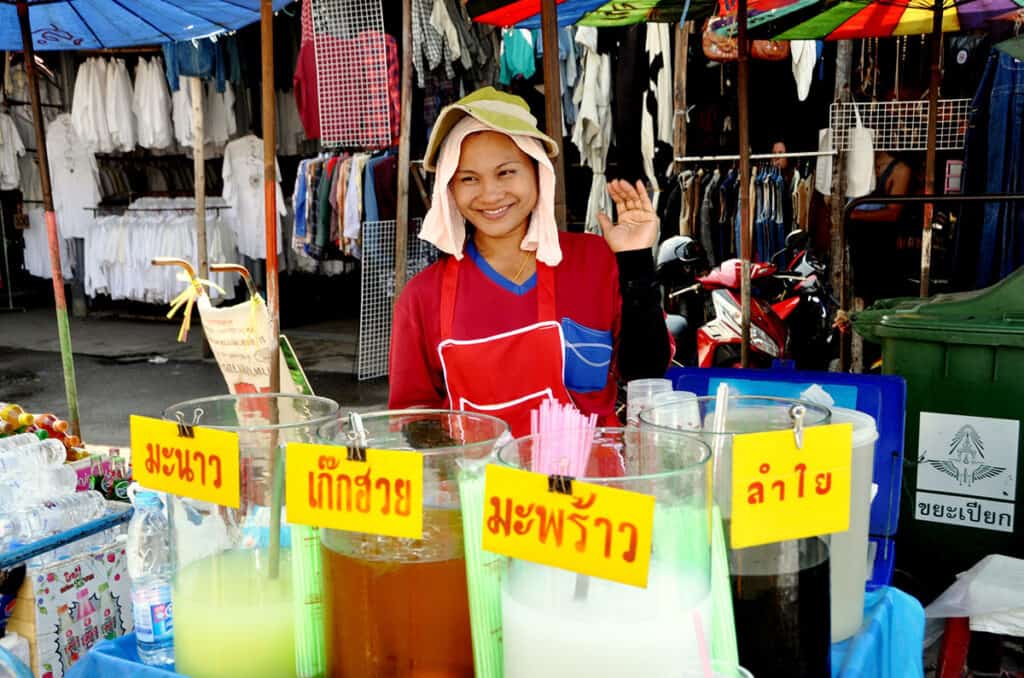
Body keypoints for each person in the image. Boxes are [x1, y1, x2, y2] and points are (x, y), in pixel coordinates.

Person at [388, 87, 671, 437]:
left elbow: (646, 370)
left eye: (506, 172)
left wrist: (637, 263)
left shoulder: (594, 260)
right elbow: (414, 419)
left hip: (593, 485)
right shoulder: (422, 297)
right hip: (484, 487)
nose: (490, 194)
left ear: (538, 172)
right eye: (468, 178)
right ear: (449, 189)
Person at [848, 149, 915, 303]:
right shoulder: (853, 165)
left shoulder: (900, 170)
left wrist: (852, 214)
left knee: (879, 293)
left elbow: (893, 213)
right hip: (856, 241)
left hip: (880, 242)